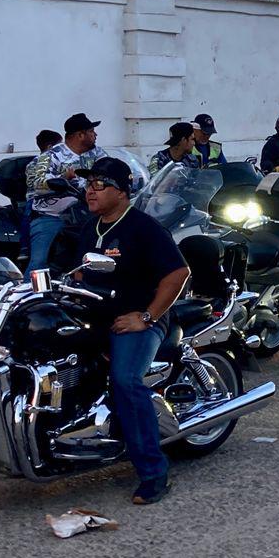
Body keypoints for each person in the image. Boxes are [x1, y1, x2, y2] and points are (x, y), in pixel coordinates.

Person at [74, 157, 188, 505]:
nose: (89, 191)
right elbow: (80, 272)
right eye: (88, 183)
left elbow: (177, 274)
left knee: (125, 380)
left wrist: (148, 317)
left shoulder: (144, 228)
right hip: (97, 315)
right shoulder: (88, 227)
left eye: (99, 184)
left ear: (122, 192)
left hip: (139, 318)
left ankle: (154, 471)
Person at [26, 113, 106, 272]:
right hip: (52, 217)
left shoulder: (97, 153)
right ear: (80, 135)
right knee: (39, 263)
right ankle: (29, 292)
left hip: (88, 214)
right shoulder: (51, 156)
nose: (95, 135)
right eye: (91, 131)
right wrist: (61, 179)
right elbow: (34, 183)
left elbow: (111, 169)